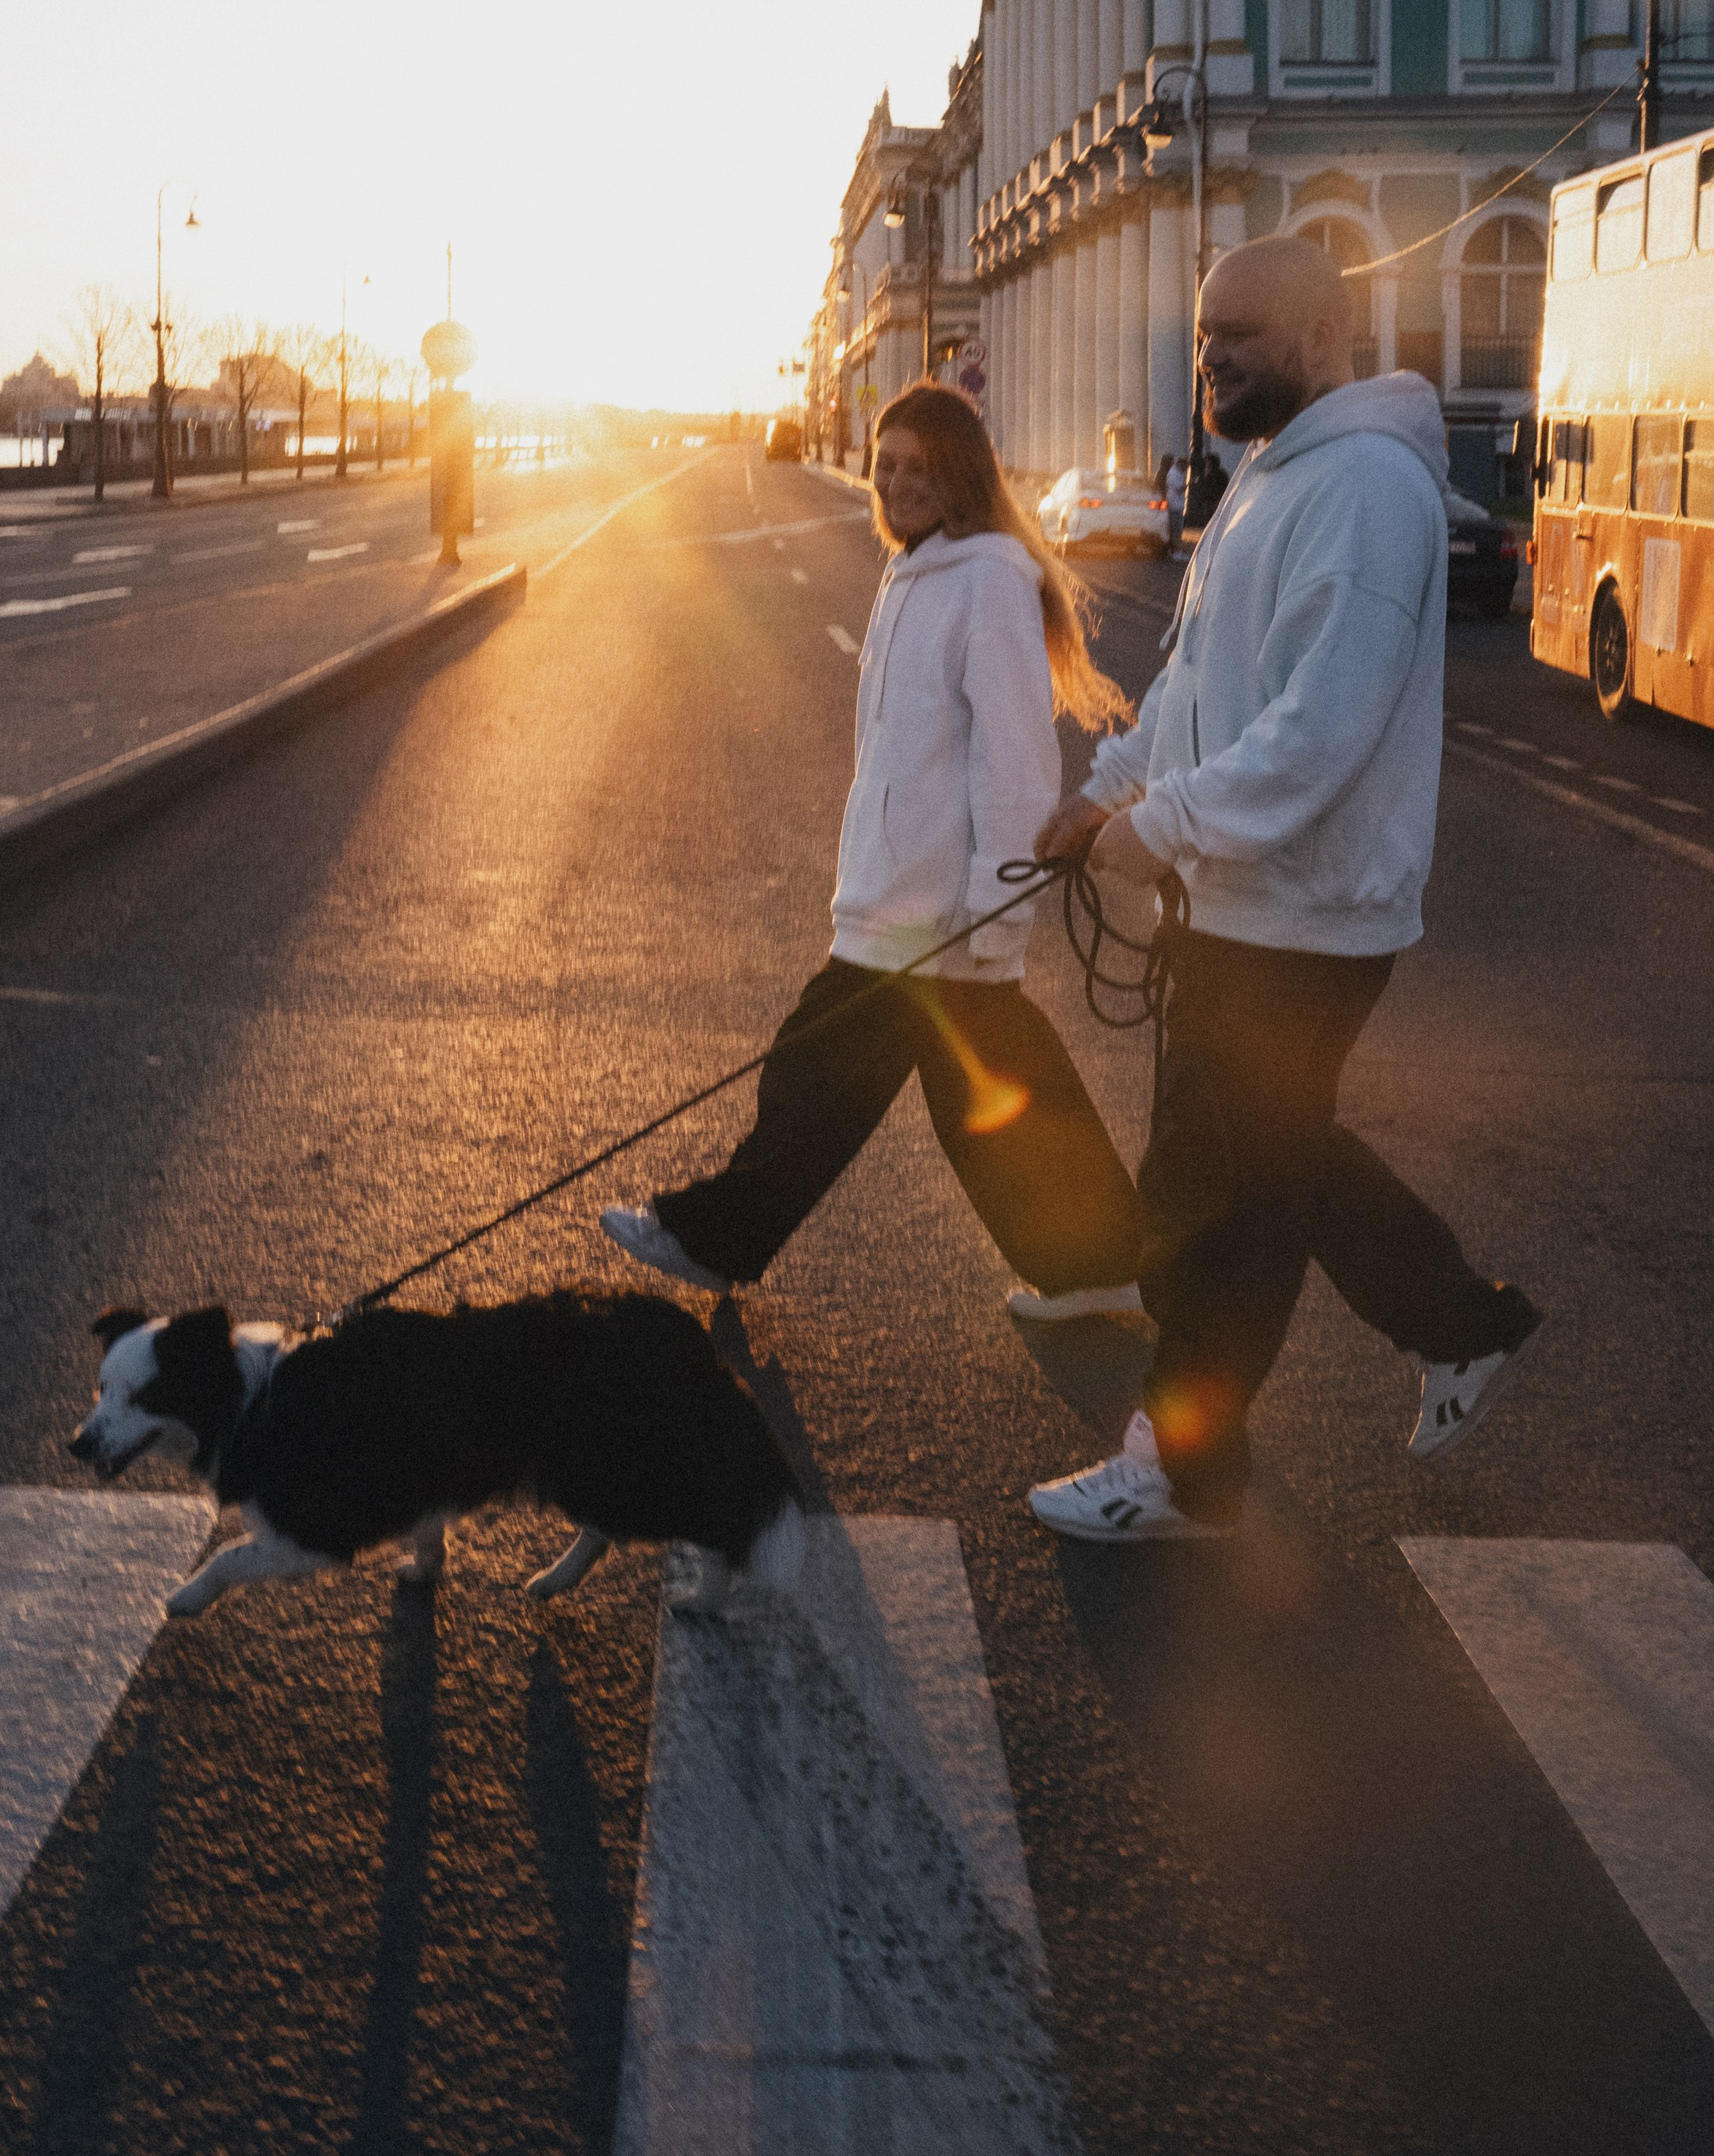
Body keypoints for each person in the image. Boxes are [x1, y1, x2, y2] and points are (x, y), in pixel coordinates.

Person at [1027, 236, 1542, 1541]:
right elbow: (1199, 683)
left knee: (1217, 1206)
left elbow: (1323, 730)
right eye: (1205, 335)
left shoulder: (1366, 487)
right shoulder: (1267, 473)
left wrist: (1165, 826)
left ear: (1323, 335)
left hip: (1303, 915)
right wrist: (1111, 789)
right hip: (1245, 902)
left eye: (1240, 334)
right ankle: (1462, 1324)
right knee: (1276, 1160)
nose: (1212, 358)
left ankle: (1183, 1472)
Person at [599, 378, 1144, 1313]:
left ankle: (714, 1238)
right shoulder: (917, 570)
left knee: (816, 1076)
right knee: (991, 1099)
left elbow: (1014, 761)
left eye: (919, 468)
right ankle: (1104, 1265)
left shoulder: (987, 581)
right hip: (902, 897)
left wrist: (993, 913)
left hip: (933, 914)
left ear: (962, 474)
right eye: (886, 466)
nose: (897, 484)